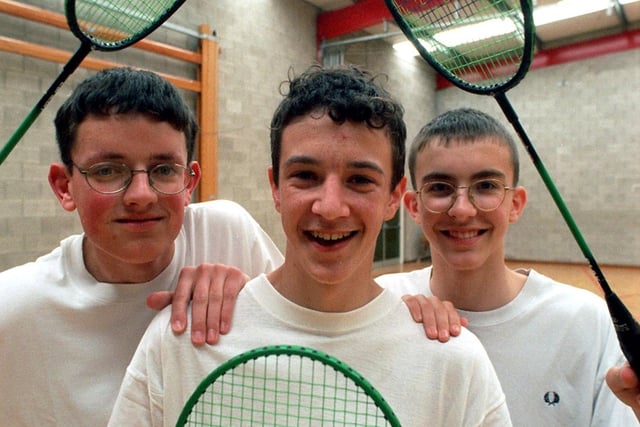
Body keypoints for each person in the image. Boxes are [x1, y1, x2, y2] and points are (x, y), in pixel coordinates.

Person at [108, 65, 511, 426]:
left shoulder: (453, 361)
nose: (330, 207)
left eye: (360, 180)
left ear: (394, 197)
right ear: (275, 188)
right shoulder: (181, 338)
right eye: (305, 175)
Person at [0, 67, 283, 426]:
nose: (141, 196)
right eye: (106, 171)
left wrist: (252, 305)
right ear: (63, 186)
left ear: (189, 181)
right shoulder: (12, 308)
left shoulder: (228, 234)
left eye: (164, 170)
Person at [375, 107, 637, 425]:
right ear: (414, 206)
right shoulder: (383, 304)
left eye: (485, 186)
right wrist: (389, 323)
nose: (462, 209)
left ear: (515, 204)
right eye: (440, 188)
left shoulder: (586, 322)